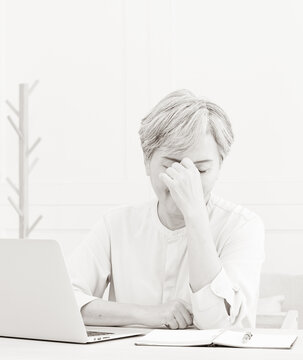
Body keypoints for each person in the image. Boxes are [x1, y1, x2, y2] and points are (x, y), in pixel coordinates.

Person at [67, 89, 265, 330]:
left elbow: (218, 323)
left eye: (201, 171)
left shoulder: (242, 227)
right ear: (146, 162)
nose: (185, 181)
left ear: (220, 166)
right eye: (171, 165)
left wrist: (195, 217)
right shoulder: (116, 225)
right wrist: (147, 314)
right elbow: (65, 302)